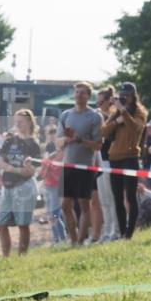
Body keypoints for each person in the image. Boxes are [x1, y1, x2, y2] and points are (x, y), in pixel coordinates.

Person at [57, 82, 104, 245]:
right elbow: (58, 141)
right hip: (67, 165)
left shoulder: (95, 116)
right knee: (65, 205)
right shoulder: (65, 115)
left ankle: (81, 240)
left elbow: (98, 144)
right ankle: (74, 239)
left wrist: (80, 140)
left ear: (88, 96)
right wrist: (66, 139)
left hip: (86, 166)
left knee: (84, 205)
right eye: (77, 92)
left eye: (83, 93)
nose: (79, 95)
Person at [101, 82, 147, 239]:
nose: (124, 98)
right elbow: (103, 131)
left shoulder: (140, 111)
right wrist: (116, 121)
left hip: (131, 157)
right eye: (122, 95)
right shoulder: (115, 113)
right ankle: (122, 232)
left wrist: (123, 112)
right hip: (114, 157)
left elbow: (136, 128)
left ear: (133, 96)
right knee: (117, 197)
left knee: (131, 197)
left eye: (127, 95)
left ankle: (129, 233)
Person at [0, 109, 42, 256]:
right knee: (1, 224)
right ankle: (6, 256)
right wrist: (16, 169)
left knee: (23, 224)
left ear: (29, 122)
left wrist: (25, 167)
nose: (17, 124)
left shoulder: (34, 144)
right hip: (7, 186)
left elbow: (31, 171)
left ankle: (22, 256)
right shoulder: (9, 141)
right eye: (16, 122)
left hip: (24, 187)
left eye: (20, 121)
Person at [92, 87, 116, 242]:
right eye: (97, 102)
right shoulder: (100, 117)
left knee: (111, 199)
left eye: (101, 101)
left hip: (110, 161)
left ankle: (115, 231)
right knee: (104, 201)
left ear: (109, 101)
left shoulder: (113, 118)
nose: (98, 105)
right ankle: (107, 232)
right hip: (100, 161)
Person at [39, 143, 67, 244]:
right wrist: (46, 167)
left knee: (55, 215)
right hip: (48, 188)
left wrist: (50, 167)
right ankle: (56, 239)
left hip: (56, 190)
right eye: (57, 150)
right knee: (51, 215)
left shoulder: (63, 163)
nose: (56, 152)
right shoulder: (52, 160)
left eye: (59, 151)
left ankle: (62, 239)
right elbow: (42, 175)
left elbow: (59, 179)